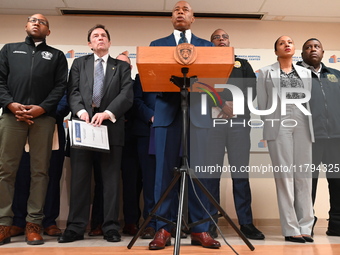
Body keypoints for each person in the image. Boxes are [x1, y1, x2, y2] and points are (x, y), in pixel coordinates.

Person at [148, 1, 220, 250]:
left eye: (185, 9)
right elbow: (150, 81)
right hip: (167, 113)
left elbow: (213, 83)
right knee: (164, 173)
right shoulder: (156, 46)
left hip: (198, 115)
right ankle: (164, 228)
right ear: (171, 17)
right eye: (176, 9)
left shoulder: (208, 47)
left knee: (199, 173)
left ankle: (200, 229)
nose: (180, 11)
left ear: (193, 18)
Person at [58, 24, 133, 243]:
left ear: (109, 42)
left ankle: (110, 227)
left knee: (110, 181)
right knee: (80, 180)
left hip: (110, 128)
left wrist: (108, 113)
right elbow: (72, 91)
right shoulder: (79, 64)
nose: (100, 39)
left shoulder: (121, 67)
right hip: (83, 126)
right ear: (89, 44)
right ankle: (75, 227)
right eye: (95, 36)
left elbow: (126, 94)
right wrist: (81, 111)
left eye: (103, 36)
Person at [0, 14, 68, 245]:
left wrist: (42, 108)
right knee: (6, 171)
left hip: (43, 119)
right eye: (32, 20)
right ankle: (3, 223)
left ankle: (33, 224)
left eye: (42, 22)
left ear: (48, 31)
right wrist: (11, 104)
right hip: (12, 117)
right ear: (26, 26)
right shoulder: (9, 50)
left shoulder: (57, 56)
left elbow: (60, 87)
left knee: (40, 172)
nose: (36, 23)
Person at [205, 28, 264, 240]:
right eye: (216, 37)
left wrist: (233, 105)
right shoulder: (205, 64)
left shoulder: (243, 64)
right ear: (211, 43)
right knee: (212, 174)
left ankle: (246, 223)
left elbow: (252, 90)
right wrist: (221, 105)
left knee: (240, 174)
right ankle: (210, 221)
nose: (221, 40)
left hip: (239, 123)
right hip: (213, 124)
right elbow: (200, 89)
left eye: (225, 37)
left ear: (229, 41)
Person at [257, 35, 314, 243]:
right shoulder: (264, 72)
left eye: (290, 42)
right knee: (284, 177)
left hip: (302, 121)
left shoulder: (306, 73)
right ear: (276, 51)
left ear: (294, 48)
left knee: (304, 176)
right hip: (278, 120)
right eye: (282, 43)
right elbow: (262, 105)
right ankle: (291, 228)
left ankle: (306, 225)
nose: (287, 44)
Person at [10, 94, 69, 238]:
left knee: (51, 175)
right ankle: (19, 221)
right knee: (21, 174)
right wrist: (25, 112)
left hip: (51, 125)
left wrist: (43, 111)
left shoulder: (58, 73)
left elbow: (64, 98)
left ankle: (49, 221)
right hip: (21, 124)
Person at [297, 38, 340, 236]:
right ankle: (306, 226)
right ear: (302, 53)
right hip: (308, 140)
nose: (312, 49)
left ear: (323, 52)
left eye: (316, 46)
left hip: (336, 140)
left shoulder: (336, 75)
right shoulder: (294, 74)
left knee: (337, 182)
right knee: (307, 183)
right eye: (308, 47)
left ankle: (337, 225)